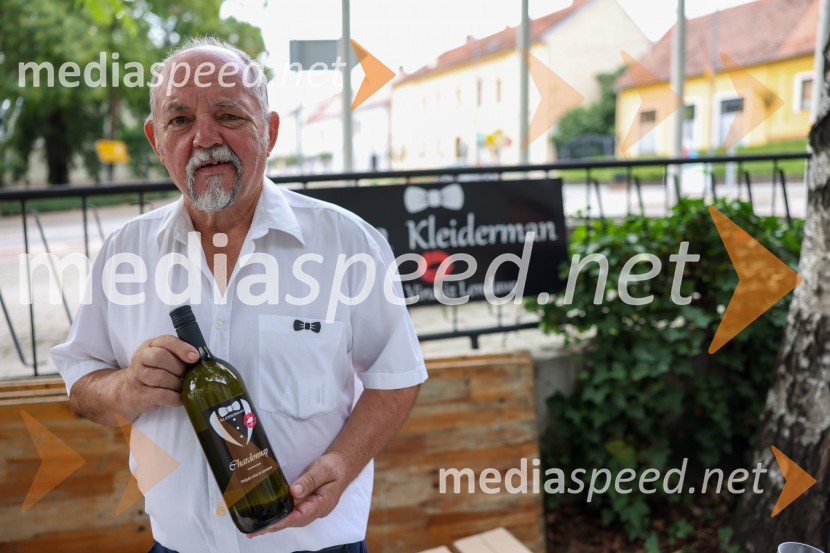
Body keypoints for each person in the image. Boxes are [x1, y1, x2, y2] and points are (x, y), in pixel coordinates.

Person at [51, 37, 427, 553]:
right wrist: (124, 390)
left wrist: (344, 463)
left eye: (228, 115)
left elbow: (395, 377)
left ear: (269, 131)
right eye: (179, 120)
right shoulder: (124, 252)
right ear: (156, 140)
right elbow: (79, 381)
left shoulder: (348, 243)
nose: (205, 138)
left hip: (318, 546)